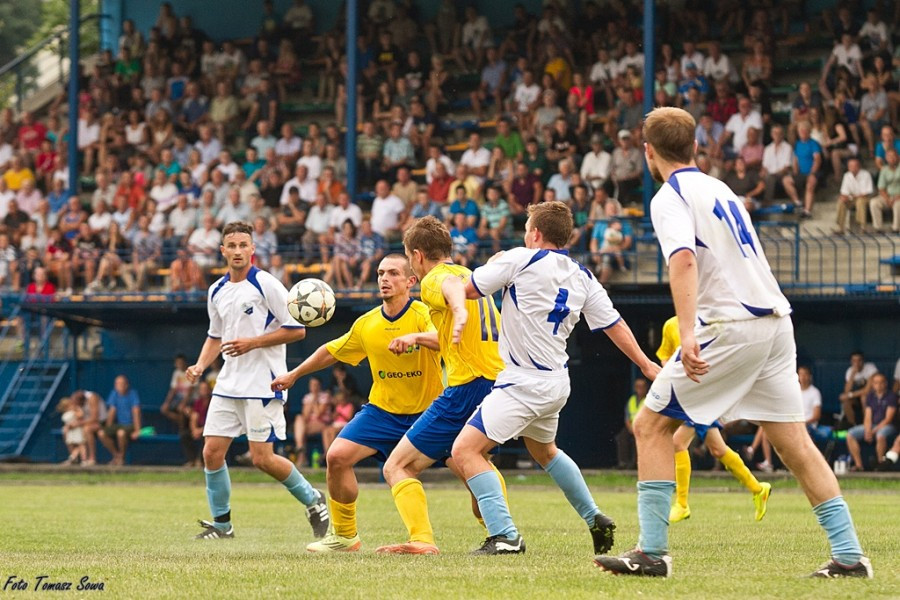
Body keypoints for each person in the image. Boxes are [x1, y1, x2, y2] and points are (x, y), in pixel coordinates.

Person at [595, 107, 871, 579]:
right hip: (775, 322)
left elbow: (682, 261)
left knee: (648, 426)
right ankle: (850, 556)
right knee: (795, 445)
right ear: (696, 147)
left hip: (731, 324)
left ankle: (652, 553)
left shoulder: (669, 196)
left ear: (647, 153)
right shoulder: (719, 187)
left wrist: (686, 333)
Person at [452, 201, 659, 555]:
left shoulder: (519, 258)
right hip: (556, 382)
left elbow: (468, 289)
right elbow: (614, 324)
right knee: (544, 451)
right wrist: (645, 364)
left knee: (464, 451)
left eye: (526, 230)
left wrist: (494, 264)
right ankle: (594, 517)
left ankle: (504, 535)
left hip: (522, 382)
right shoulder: (582, 275)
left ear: (534, 233)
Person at [271, 254, 444, 552]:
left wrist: (414, 337)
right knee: (336, 457)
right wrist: (295, 374)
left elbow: (442, 337)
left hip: (429, 411)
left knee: (470, 464)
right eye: (380, 273)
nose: (384, 279)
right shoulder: (367, 323)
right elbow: (331, 351)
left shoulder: (422, 313)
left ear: (410, 281)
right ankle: (345, 536)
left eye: (392, 273)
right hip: (383, 412)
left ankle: (498, 532)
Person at [184, 221, 329, 540]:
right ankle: (222, 526)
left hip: (263, 384)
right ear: (222, 250)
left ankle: (314, 500)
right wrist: (198, 366)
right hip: (228, 384)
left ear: (252, 249)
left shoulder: (267, 284)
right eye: (231, 246)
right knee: (211, 452)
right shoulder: (216, 290)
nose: (237, 251)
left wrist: (252, 342)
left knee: (262, 458)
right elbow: (215, 336)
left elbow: (298, 329)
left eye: (243, 245)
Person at [374, 216, 506, 556]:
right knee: (471, 461)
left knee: (397, 466)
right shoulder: (471, 275)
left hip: (467, 386)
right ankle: (502, 532)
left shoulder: (436, 278)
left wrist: (458, 310)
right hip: (496, 381)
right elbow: (452, 332)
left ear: (417, 256)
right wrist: (418, 335)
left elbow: (447, 291)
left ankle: (422, 540)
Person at [655, 316, 772, 525]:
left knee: (678, 442)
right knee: (718, 449)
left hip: (703, 394)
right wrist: (670, 373)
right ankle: (758, 488)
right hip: (686, 394)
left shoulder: (709, 324)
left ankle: (682, 504)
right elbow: (664, 356)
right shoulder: (670, 325)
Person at [845, 373, 897, 471]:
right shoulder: (870, 396)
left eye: (881, 382)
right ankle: (859, 465)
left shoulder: (891, 396)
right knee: (850, 434)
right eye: (876, 383)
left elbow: (888, 419)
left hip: (888, 426)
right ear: (872, 384)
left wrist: (873, 431)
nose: (879, 385)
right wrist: (868, 430)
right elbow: (868, 415)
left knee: (880, 435)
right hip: (872, 426)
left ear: (885, 383)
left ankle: (880, 464)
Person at [97, 375, 142, 466]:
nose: (119, 386)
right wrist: (108, 428)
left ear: (126, 385)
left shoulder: (133, 394)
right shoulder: (114, 394)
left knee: (120, 433)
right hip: (118, 425)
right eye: (117, 384)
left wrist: (138, 430)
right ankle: (117, 456)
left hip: (130, 425)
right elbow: (112, 411)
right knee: (101, 433)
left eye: (121, 384)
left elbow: (136, 411)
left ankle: (122, 458)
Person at [838, 351, 879, 428]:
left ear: (863, 361)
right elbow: (846, 390)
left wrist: (849, 395)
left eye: (859, 360)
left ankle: (866, 424)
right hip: (857, 397)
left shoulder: (870, 368)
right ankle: (852, 425)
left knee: (864, 397)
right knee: (846, 401)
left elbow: (867, 390)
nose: (856, 363)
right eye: (854, 360)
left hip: (873, 396)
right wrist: (852, 375)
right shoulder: (850, 371)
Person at [615, 379, 647, 469]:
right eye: (637, 387)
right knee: (621, 438)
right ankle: (623, 463)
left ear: (646, 388)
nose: (639, 389)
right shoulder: (631, 400)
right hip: (632, 427)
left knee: (639, 441)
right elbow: (627, 417)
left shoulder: (649, 400)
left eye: (642, 387)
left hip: (644, 428)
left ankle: (636, 464)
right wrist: (631, 428)